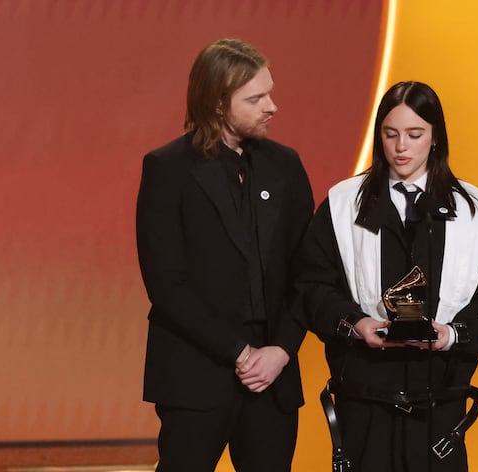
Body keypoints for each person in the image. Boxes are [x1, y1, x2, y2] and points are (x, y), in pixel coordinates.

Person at [294, 81, 478, 472]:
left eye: (415, 135)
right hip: (364, 408)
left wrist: (451, 335)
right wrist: (356, 323)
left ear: (435, 138)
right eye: (390, 134)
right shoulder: (341, 204)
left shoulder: (474, 211)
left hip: (439, 415)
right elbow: (310, 287)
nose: (401, 146)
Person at [136, 38, 314, 472]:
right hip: (196, 373)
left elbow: (310, 270)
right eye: (255, 98)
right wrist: (240, 352)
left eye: (269, 93)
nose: (271, 106)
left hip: (273, 375)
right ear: (218, 104)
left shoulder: (285, 166)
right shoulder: (168, 169)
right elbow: (166, 283)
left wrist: (281, 351)